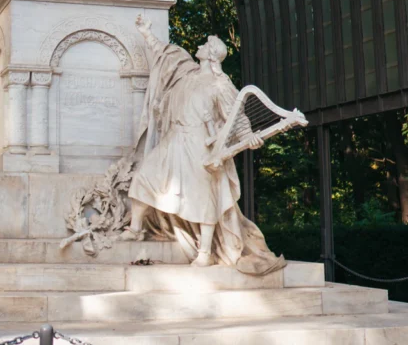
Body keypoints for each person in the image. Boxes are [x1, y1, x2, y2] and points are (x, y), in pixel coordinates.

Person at [122, 15, 285, 275]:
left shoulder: (220, 84)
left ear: (210, 54)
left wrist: (248, 136)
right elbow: (164, 56)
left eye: (205, 44)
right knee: (144, 177)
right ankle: (135, 228)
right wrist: (146, 33)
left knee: (202, 197)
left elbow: (236, 116)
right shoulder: (186, 73)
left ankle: (205, 253)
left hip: (200, 143)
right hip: (174, 138)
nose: (199, 45)